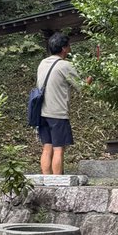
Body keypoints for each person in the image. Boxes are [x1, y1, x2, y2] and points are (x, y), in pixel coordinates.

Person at [35, 31, 90, 176]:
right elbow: (82, 87)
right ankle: (58, 182)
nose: (70, 48)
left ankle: (46, 181)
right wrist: (90, 79)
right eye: (68, 45)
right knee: (58, 149)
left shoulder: (42, 63)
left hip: (41, 113)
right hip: (57, 113)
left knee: (47, 147)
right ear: (64, 48)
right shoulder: (64, 65)